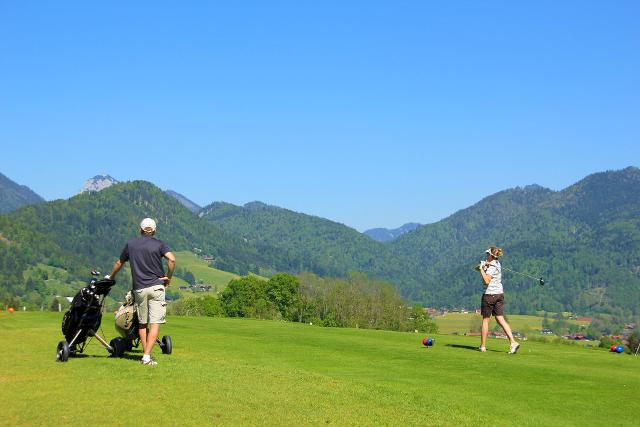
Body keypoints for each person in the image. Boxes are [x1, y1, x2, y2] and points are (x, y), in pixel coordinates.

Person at [108, 218, 176, 365]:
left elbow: (119, 263)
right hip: (157, 287)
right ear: (154, 230)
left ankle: (146, 356)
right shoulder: (159, 244)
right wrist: (168, 278)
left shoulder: (131, 244)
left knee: (142, 324)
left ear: (140, 229)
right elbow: (172, 260)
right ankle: (146, 356)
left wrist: (111, 277)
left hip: (139, 288)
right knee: (155, 323)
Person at [475, 246, 520, 354]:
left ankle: (483, 346)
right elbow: (478, 268)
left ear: (491, 255)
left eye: (487, 254)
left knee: (485, 320)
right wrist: (482, 265)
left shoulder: (492, 267)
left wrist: (482, 269)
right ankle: (513, 342)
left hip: (489, 295)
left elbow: (486, 280)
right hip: (499, 294)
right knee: (500, 319)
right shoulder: (496, 264)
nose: (486, 255)